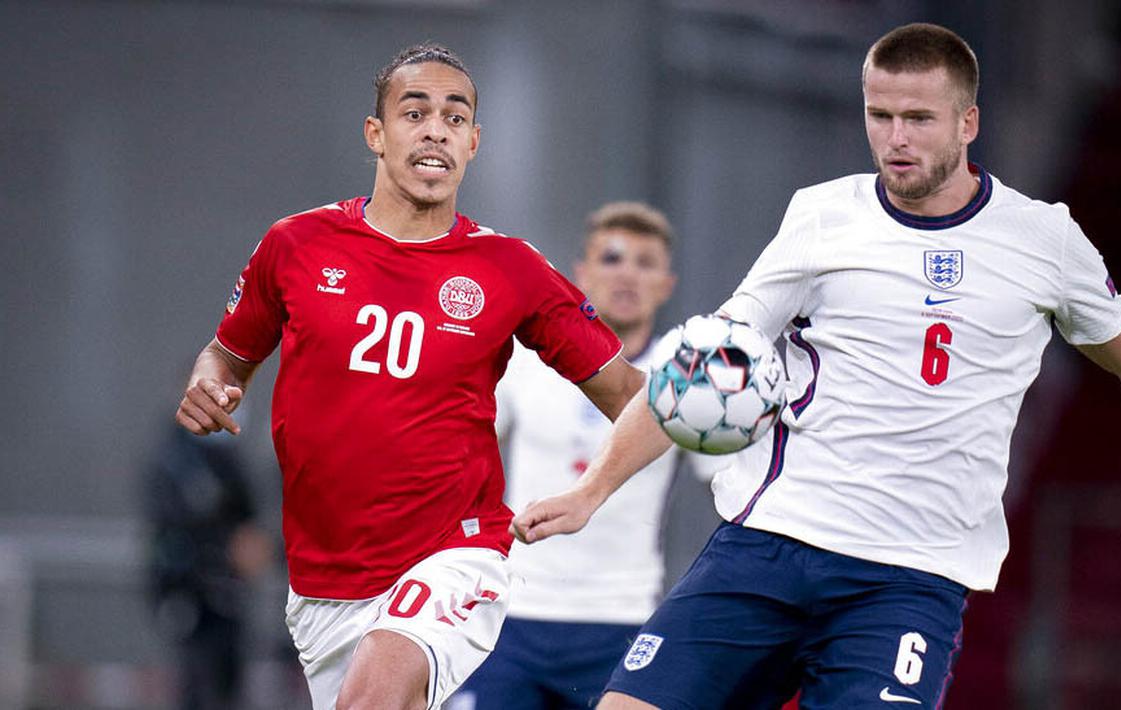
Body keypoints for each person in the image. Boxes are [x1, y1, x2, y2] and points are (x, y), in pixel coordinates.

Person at [511, 22, 1121, 709]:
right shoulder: (822, 217)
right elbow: (699, 371)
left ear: (968, 123)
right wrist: (591, 492)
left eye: (917, 118)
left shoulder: (1043, 240)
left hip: (908, 581)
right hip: (768, 545)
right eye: (879, 116)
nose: (895, 138)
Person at [173, 44, 644, 710]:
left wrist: (593, 491)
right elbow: (227, 356)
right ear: (376, 133)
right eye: (414, 113)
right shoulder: (296, 244)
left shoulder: (510, 268)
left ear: (473, 143)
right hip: (324, 584)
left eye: (455, 117)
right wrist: (210, 383)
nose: (435, 131)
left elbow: (635, 398)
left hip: (455, 553)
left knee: (377, 689)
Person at [452, 202, 721, 710]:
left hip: (623, 619)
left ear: (666, 284)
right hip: (510, 613)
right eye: (612, 258)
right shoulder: (527, 359)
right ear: (581, 273)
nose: (627, 274)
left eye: (645, 263)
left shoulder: (685, 378)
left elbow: (732, 488)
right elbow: (457, 452)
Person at [144, 415, 274, 710]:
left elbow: (247, 516)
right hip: (190, 594)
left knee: (227, 681)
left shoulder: (227, 460)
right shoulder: (175, 460)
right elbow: (173, 526)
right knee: (198, 681)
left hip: (228, 596)